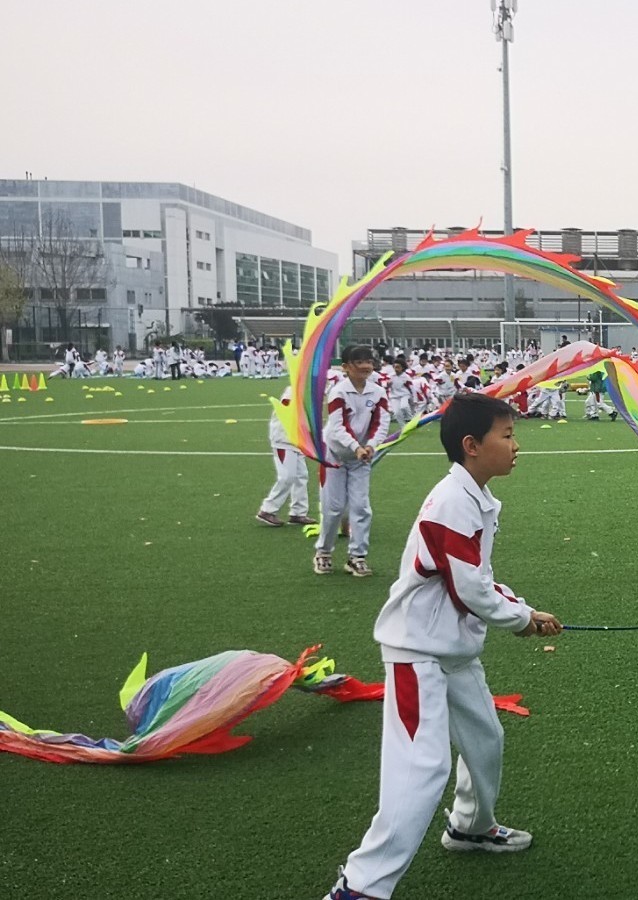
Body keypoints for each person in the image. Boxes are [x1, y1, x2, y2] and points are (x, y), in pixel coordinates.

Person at [321, 392, 563, 900]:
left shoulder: (473, 497)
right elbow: (470, 588)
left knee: (485, 740)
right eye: (508, 435)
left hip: (451, 650)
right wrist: (521, 621)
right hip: (418, 654)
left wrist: (525, 610)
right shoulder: (452, 503)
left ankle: (470, 827)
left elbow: (477, 577)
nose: (517, 445)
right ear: (472, 446)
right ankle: (360, 886)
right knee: (422, 769)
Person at [315, 345, 391, 576]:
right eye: (359, 362)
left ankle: (357, 556)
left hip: (362, 457)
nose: (366, 366)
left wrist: (370, 446)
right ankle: (324, 552)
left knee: (361, 507)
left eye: (369, 361)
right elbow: (338, 427)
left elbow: (381, 423)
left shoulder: (378, 392)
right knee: (334, 508)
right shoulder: (338, 392)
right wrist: (356, 447)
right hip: (334, 457)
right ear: (346, 367)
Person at [256, 387, 315, 528]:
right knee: (287, 476)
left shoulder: (308, 391)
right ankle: (267, 510)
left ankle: (298, 513)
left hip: (297, 441)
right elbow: (286, 409)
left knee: (301, 476)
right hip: (284, 439)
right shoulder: (293, 391)